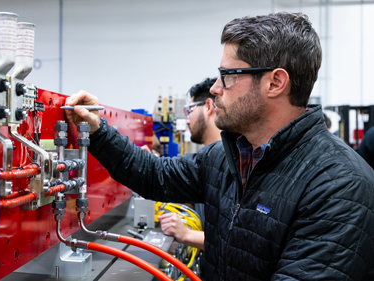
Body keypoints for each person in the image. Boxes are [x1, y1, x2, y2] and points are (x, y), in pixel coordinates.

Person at [65, 12, 374, 280]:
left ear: (275, 83)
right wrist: (97, 129)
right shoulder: (227, 157)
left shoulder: (339, 185)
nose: (214, 89)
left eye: (227, 76)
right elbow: (153, 174)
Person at [157, 77, 220, 251]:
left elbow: (239, 240)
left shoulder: (232, 164)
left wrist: (186, 234)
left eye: (190, 110)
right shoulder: (207, 161)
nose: (186, 120)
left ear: (209, 106)